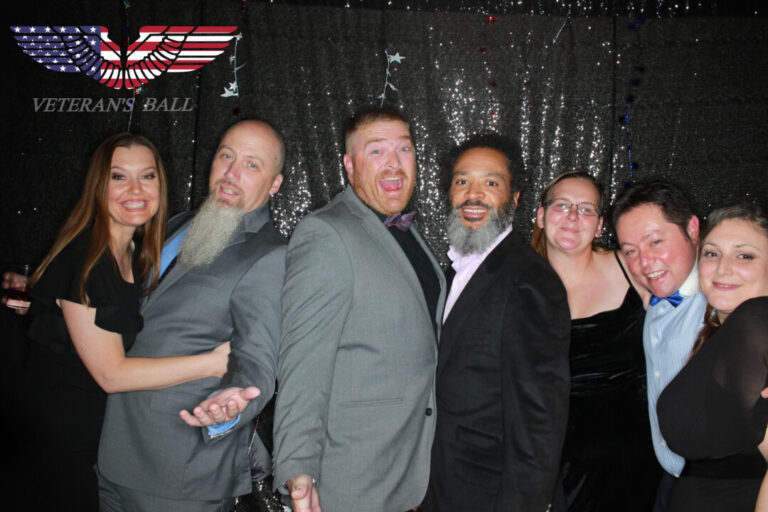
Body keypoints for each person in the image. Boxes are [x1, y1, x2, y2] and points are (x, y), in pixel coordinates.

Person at [19, 133, 231, 510]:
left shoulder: (134, 252)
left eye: (147, 176)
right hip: (55, 439)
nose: (135, 190)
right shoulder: (86, 259)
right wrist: (212, 364)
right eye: (119, 177)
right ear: (99, 186)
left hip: (92, 433)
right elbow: (111, 374)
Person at [96, 120, 287, 512]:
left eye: (252, 165)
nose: (231, 172)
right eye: (226, 156)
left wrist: (233, 404)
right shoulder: (178, 222)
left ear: (275, 184)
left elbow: (257, 360)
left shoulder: (271, 255)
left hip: (179, 470)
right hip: (111, 448)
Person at [272, 107, 445, 512]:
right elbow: (302, 364)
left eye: (404, 149)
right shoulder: (326, 233)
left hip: (406, 467)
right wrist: (298, 470)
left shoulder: (406, 230)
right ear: (349, 166)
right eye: (377, 151)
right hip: (353, 476)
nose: (394, 163)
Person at [423, 135, 570, 511]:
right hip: (444, 486)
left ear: (515, 198)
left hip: (491, 495)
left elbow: (539, 421)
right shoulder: (451, 273)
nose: (473, 195)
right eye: (462, 181)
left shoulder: (530, 281)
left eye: (490, 182)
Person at [530, 171, 659, 510]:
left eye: (586, 209)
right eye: (562, 205)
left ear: (600, 225)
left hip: (632, 459)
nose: (573, 216)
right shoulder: (520, 286)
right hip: (556, 461)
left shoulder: (633, 268)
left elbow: (701, 307)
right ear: (541, 216)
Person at [657, 203, 768, 511]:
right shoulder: (724, 333)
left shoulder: (753, 323)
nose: (722, 268)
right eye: (712, 253)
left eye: (744, 256)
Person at [612, 178, 708, 512]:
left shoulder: (722, 301)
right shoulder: (652, 299)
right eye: (631, 251)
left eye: (655, 242)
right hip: (669, 480)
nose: (644, 262)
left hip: (718, 487)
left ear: (692, 229)